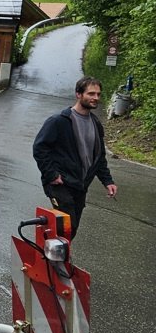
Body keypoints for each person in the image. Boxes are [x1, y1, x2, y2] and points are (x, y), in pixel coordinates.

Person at [33, 76, 117, 237]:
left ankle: (55, 256)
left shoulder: (96, 124)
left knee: (72, 228)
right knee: (66, 224)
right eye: (91, 94)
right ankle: (54, 257)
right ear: (78, 94)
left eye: (98, 94)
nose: (95, 98)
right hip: (60, 183)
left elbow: (99, 157)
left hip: (80, 185)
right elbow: (40, 148)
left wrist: (108, 181)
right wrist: (52, 175)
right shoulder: (59, 121)